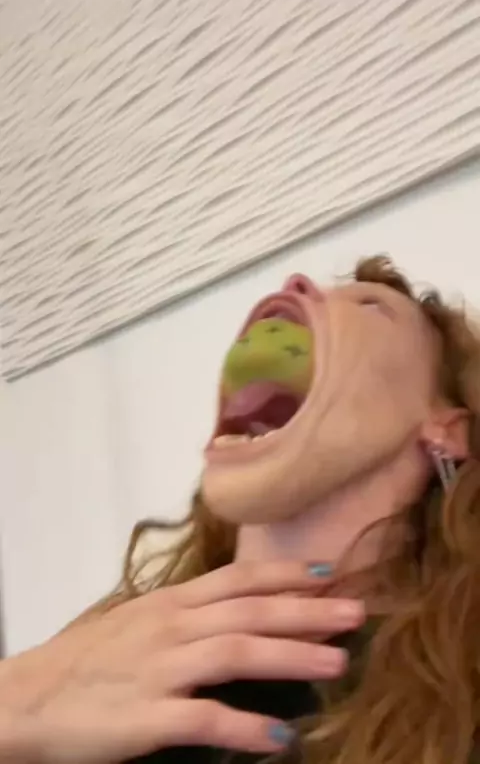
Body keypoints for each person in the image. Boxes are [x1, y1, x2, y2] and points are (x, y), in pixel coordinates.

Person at [1, 254, 479, 764]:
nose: (296, 282)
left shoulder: (461, 699)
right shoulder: (91, 666)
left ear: (448, 431)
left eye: (371, 306)